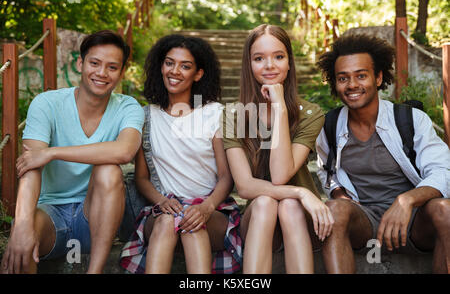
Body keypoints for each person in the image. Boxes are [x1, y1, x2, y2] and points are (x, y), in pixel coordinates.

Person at [0, 30, 145, 274]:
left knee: (109, 170)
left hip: (96, 217)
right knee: (21, 237)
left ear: (121, 72)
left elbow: (124, 152)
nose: (101, 73)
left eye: (112, 67)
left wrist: (53, 152)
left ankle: (95, 271)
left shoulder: (128, 107)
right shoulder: (47, 103)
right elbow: (30, 166)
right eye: (94, 63)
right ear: (80, 63)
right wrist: (23, 223)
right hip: (50, 215)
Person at [315, 33, 450, 274]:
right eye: (343, 78)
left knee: (445, 209)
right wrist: (339, 194)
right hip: (364, 222)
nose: (352, 85)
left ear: (378, 78)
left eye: (361, 76)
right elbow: (327, 170)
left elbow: (443, 171)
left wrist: (406, 200)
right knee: (334, 209)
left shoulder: (410, 120)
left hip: (415, 221)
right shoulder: (330, 125)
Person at [119, 34, 242, 274]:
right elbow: (142, 178)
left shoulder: (214, 113)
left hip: (211, 210)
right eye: (169, 63)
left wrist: (205, 208)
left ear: (198, 74)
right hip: (163, 211)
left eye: (185, 66)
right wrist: (162, 201)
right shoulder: (146, 116)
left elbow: (226, 176)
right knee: (169, 221)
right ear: (160, 66)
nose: (174, 71)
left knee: (193, 224)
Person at [222, 24, 334, 274]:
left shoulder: (310, 113)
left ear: (289, 62)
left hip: (302, 221)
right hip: (260, 223)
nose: (269, 65)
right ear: (248, 65)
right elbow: (245, 187)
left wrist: (281, 107)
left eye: (278, 56)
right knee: (264, 203)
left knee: (289, 206)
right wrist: (302, 192)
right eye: (259, 58)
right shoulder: (233, 115)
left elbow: (281, 173)